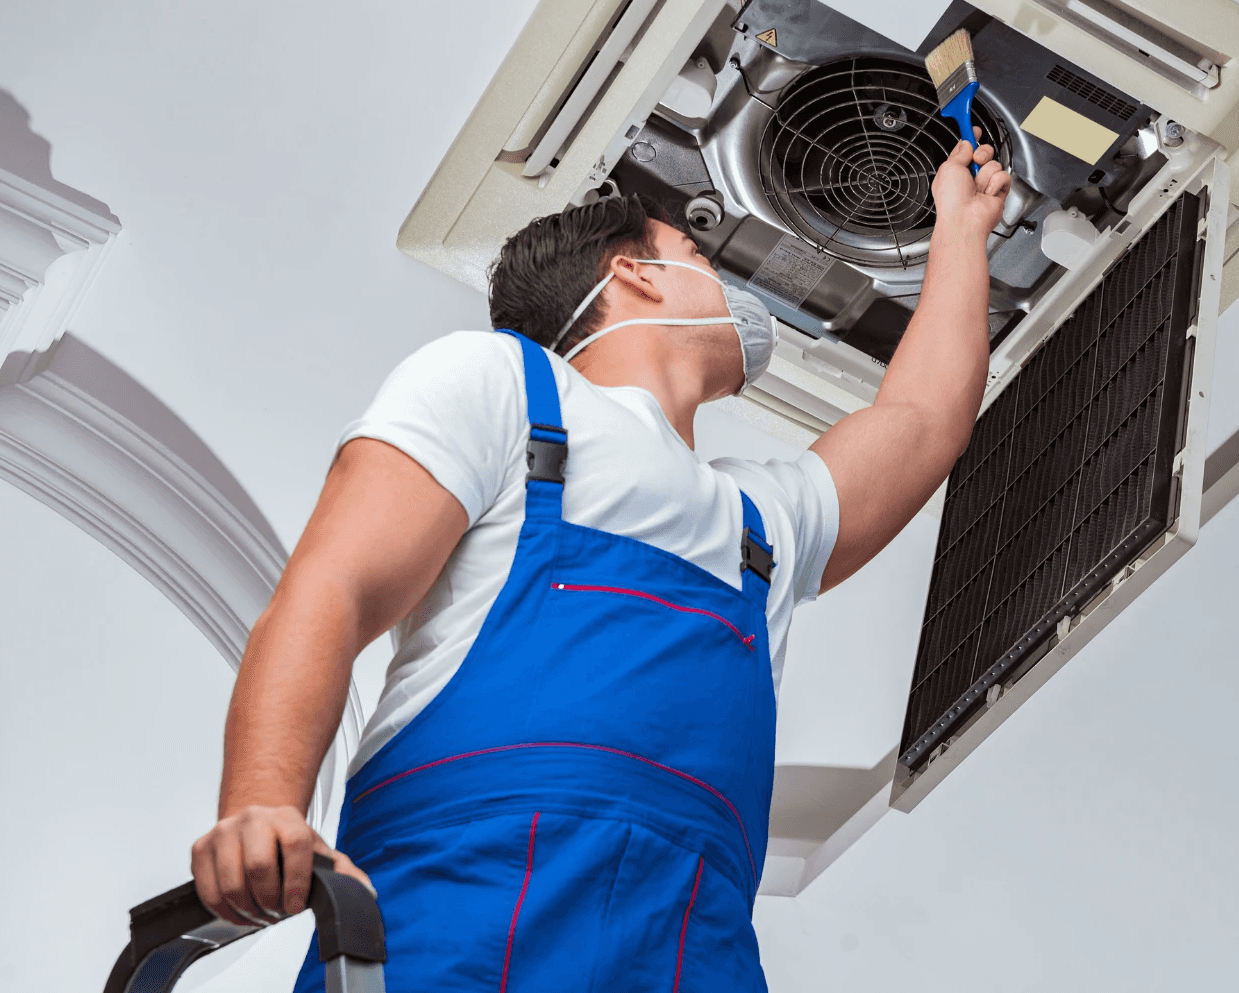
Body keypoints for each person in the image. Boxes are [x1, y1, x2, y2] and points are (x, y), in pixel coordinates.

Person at [189, 134, 1011, 990]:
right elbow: (335, 588)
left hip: (694, 934)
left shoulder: (761, 519)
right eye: (697, 255)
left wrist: (960, 229)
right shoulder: (505, 382)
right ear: (634, 274)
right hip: (466, 892)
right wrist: (261, 805)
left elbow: (921, 418)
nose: (731, 290)